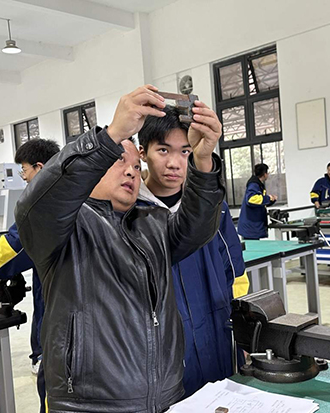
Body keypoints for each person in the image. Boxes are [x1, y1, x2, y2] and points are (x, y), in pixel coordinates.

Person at [15, 85, 225, 412]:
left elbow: (197, 227)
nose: (130, 170)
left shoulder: (152, 223)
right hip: (89, 405)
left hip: (165, 397)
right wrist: (112, 134)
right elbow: (37, 204)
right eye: (117, 160)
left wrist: (202, 159)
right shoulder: (64, 228)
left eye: (135, 166)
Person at [137, 106, 249, 397]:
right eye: (163, 150)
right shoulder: (130, 213)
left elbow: (234, 270)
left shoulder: (212, 208)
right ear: (142, 153)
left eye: (185, 151)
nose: (175, 163)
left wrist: (242, 335)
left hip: (217, 331)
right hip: (163, 348)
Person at [0, 138, 60, 413]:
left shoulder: (47, 202)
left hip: (61, 320)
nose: (23, 177)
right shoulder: (81, 191)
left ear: (40, 167)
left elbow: (15, 248)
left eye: (24, 170)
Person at [237, 163, 277, 240]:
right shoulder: (253, 184)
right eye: (267, 173)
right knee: (251, 246)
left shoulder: (258, 185)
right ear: (264, 174)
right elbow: (251, 200)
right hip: (250, 228)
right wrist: (268, 198)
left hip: (253, 227)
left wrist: (271, 200)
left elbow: (259, 202)